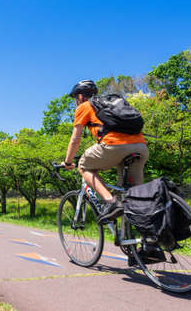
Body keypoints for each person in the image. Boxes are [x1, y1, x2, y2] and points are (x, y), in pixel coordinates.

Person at [61, 80, 149, 222]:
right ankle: (148, 237)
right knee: (133, 196)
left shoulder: (85, 106)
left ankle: (110, 202)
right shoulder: (111, 104)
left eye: (75, 98)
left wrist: (68, 162)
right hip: (141, 147)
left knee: (83, 166)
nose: (76, 101)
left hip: (114, 146)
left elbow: (75, 139)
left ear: (81, 96)